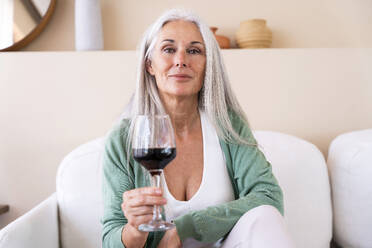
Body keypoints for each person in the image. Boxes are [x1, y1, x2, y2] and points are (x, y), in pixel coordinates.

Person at [102, 8, 294, 248]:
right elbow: (109, 239)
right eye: (169, 49)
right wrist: (134, 229)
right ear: (149, 64)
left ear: (208, 65)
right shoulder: (122, 139)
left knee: (264, 217)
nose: (181, 60)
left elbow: (269, 197)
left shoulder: (228, 125)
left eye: (194, 51)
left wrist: (186, 228)